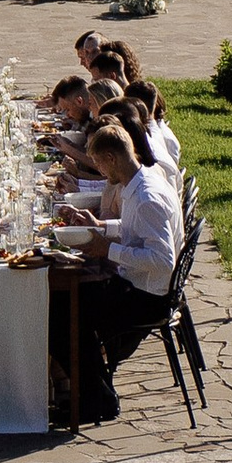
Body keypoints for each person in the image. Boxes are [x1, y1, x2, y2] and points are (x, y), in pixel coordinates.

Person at [78, 112, 183, 411]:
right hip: (137, 283)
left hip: (148, 295)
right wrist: (100, 227)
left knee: (71, 313)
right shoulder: (141, 180)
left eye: (98, 163)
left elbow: (163, 260)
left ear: (110, 158)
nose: (98, 170)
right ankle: (91, 389)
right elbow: (133, 230)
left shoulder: (147, 196)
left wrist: (106, 250)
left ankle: (97, 399)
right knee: (74, 302)